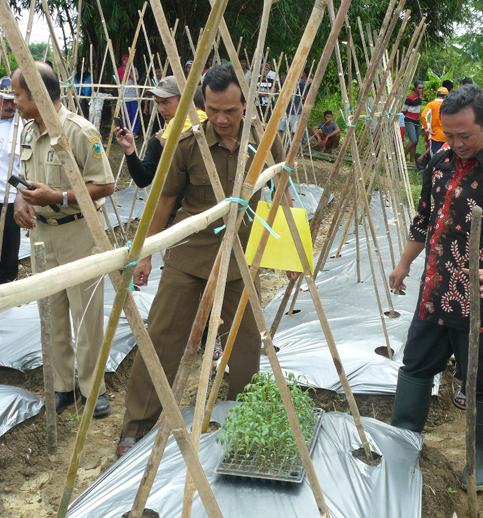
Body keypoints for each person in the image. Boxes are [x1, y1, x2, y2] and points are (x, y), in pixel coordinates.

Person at [117, 64, 286, 457]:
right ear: (203, 105)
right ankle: (137, 425)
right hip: (189, 256)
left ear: (246, 104)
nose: (223, 119)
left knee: (245, 347)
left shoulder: (263, 140)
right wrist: (144, 253)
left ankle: (247, 421)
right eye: (213, 110)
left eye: (231, 110)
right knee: (162, 338)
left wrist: (288, 250)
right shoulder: (188, 143)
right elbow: (163, 200)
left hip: (240, 260)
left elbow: (282, 187)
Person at [389, 84, 483, 492]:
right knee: (416, 365)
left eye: (463, 135)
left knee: (478, 380)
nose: (455, 144)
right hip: (435, 291)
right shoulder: (439, 164)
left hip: (480, 299)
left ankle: (479, 454)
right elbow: (424, 220)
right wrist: (404, 264)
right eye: (448, 135)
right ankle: (404, 440)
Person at [11, 62, 115, 416]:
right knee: (51, 313)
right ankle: (63, 386)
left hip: (78, 232)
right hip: (42, 235)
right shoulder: (28, 131)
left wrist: (59, 197)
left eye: (18, 94)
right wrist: (21, 202)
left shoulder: (79, 132)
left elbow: (106, 184)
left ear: (39, 95)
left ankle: (92, 388)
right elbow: (25, 180)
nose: (14, 101)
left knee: (86, 315)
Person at [0, 76, 22, 284]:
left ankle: (7, 293)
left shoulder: (22, 127)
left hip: (10, 199)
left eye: (12, 100)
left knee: (8, 249)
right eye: (4, 100)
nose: (9, 105)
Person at [277, 68, 309, 143]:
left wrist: (302, 105)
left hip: (295, 111)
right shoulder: (285, 81)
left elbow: (305, 96)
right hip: (285, 110)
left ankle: (294, 149)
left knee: (294, 132)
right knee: (279, 130)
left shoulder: (300, 82)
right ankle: (280, 147)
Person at [420, 86, 448, 157]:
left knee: (434, 157)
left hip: (435, 135)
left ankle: (434, 168)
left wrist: (427, 129)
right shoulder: (448, 105)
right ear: (446, 95)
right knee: (445, 156)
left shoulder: (431, 104)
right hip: (447, 136)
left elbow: (423, 116)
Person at [401, 80, 424, 163]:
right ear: (415, 88)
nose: (421, 90)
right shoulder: (410, 98)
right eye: (419, 88)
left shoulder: (420, 97)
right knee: (413, 140)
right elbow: (403, 110)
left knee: (415, 143)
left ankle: (412, 161)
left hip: (416, 121)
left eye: (422, 88)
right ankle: (402, 157)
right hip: (409, 120)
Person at [118, 54, 140, 136]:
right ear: (123, 61)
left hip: (134, 94)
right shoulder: (119, 70)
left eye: (128, 59)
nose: (126, 61)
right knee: (127, 113)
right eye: (125, 60)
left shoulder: (134, 69)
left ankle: (135, 131)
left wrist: (129, 71)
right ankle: (127, 130)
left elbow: (136, 79)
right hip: (125, 94)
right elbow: (119, 80)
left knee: (135, 113)